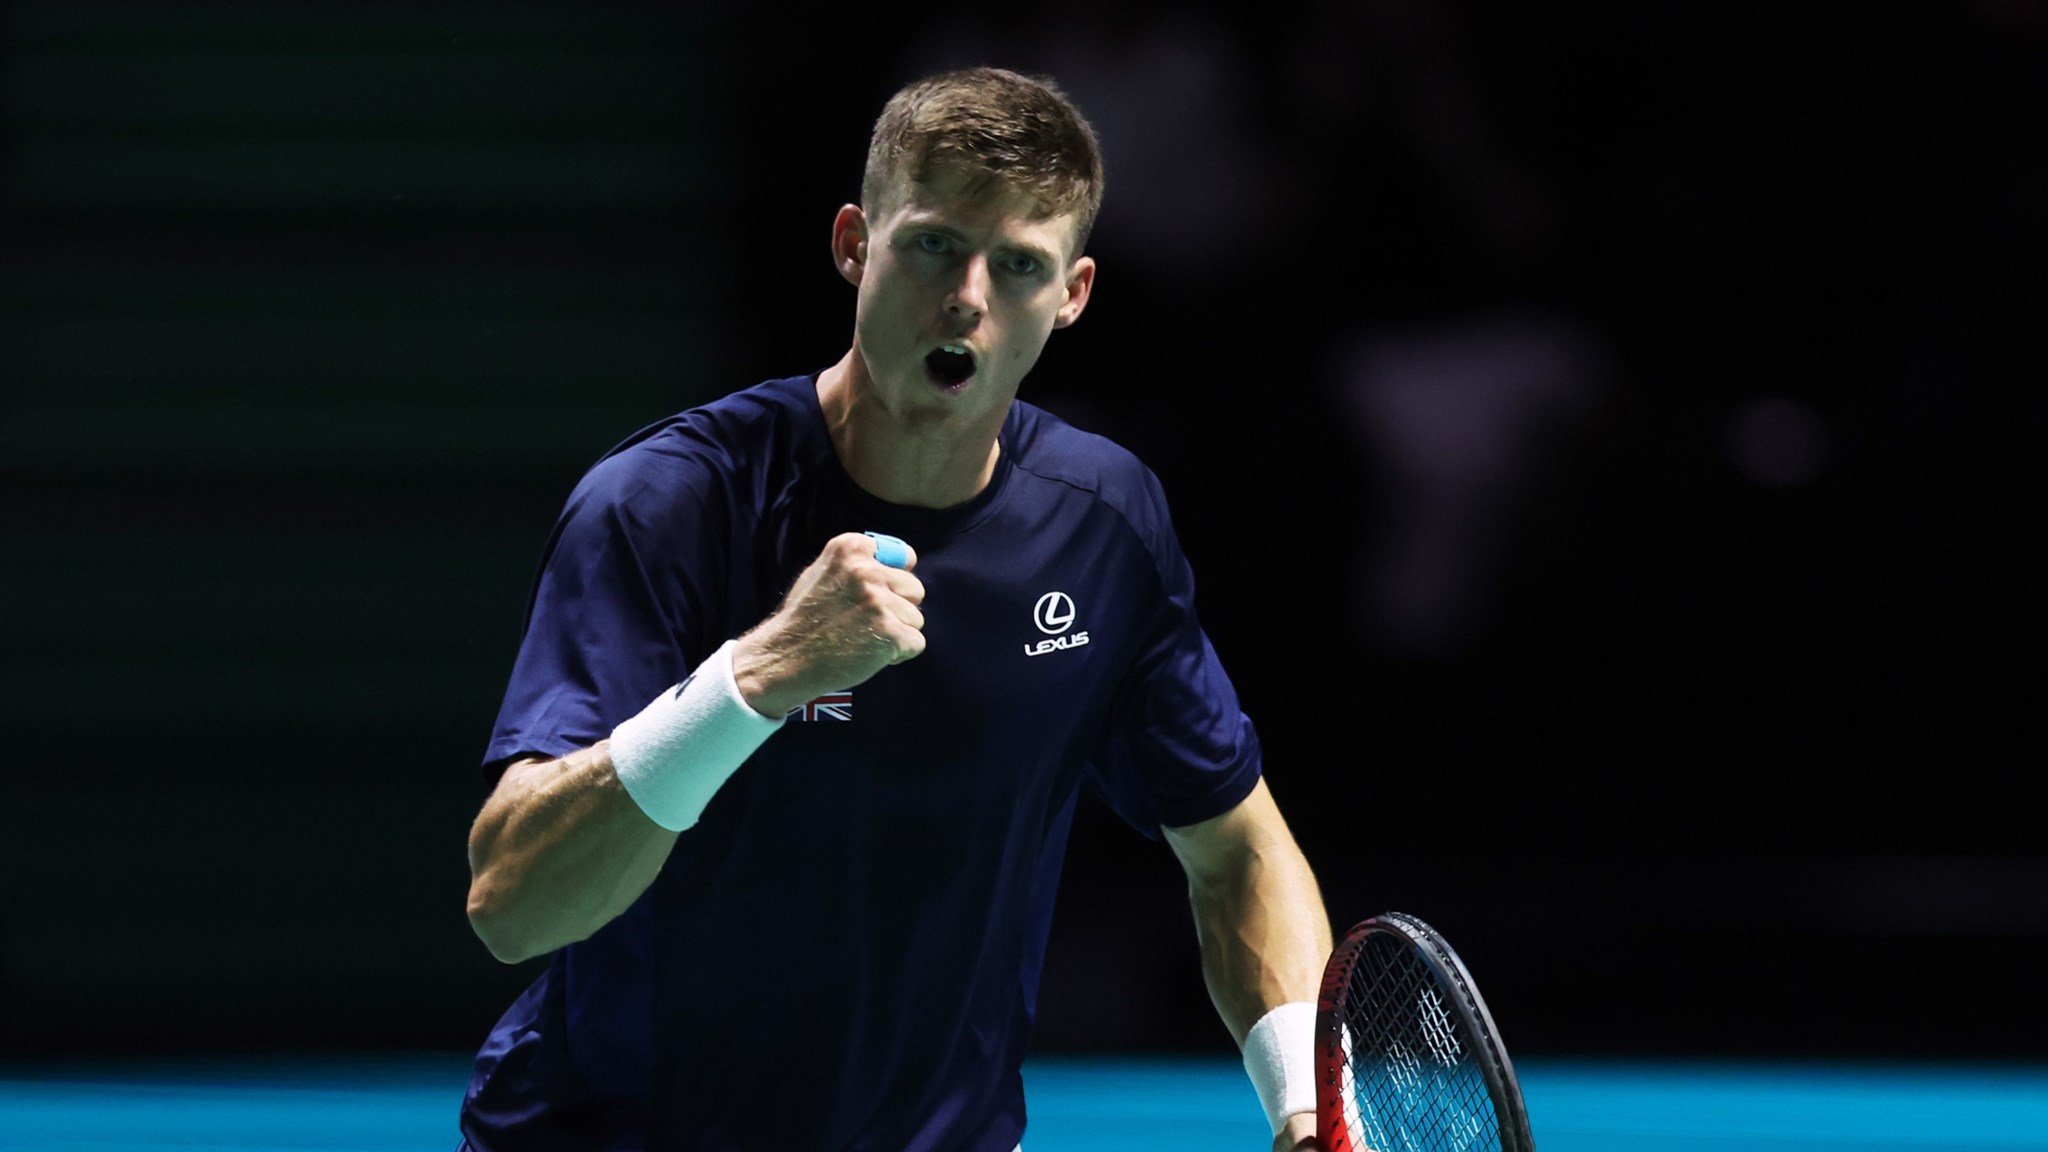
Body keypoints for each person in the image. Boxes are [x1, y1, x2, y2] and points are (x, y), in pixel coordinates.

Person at [459, 66, 1333, 1151]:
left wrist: (1303, 1104)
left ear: (1073, 295)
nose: (968, 296)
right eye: (932, 244)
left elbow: (1238, 847)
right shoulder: (669, 504)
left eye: (1018, 265)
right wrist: (758, 675)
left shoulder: (1103, 523)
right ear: (851, 244)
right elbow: (511, 901)